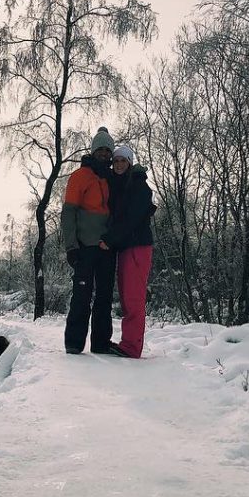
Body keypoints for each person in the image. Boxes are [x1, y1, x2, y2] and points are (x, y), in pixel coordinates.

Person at [61, 127, 116, 354]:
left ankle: (101, 343)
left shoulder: (113, 177)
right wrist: (71, 246)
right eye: (100, 149)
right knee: (82, 296)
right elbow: (68, 213)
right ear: (93, 151)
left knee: (104, 297)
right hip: (84, 247)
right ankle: (74, 343)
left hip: (107, 248)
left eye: (107, 150)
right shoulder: (79, 176)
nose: (103, 153)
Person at [99, 144, 154, 358]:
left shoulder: (139, 186)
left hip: (137, 246)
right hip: (125, 247)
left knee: (133, 298)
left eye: (123, 160)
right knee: (126, 297)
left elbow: (131, 219)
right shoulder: (121, 183)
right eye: (116, 161)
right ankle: (128, 342)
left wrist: (110, 239)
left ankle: (132, 347)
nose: (119, 164)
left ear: (130, 162)